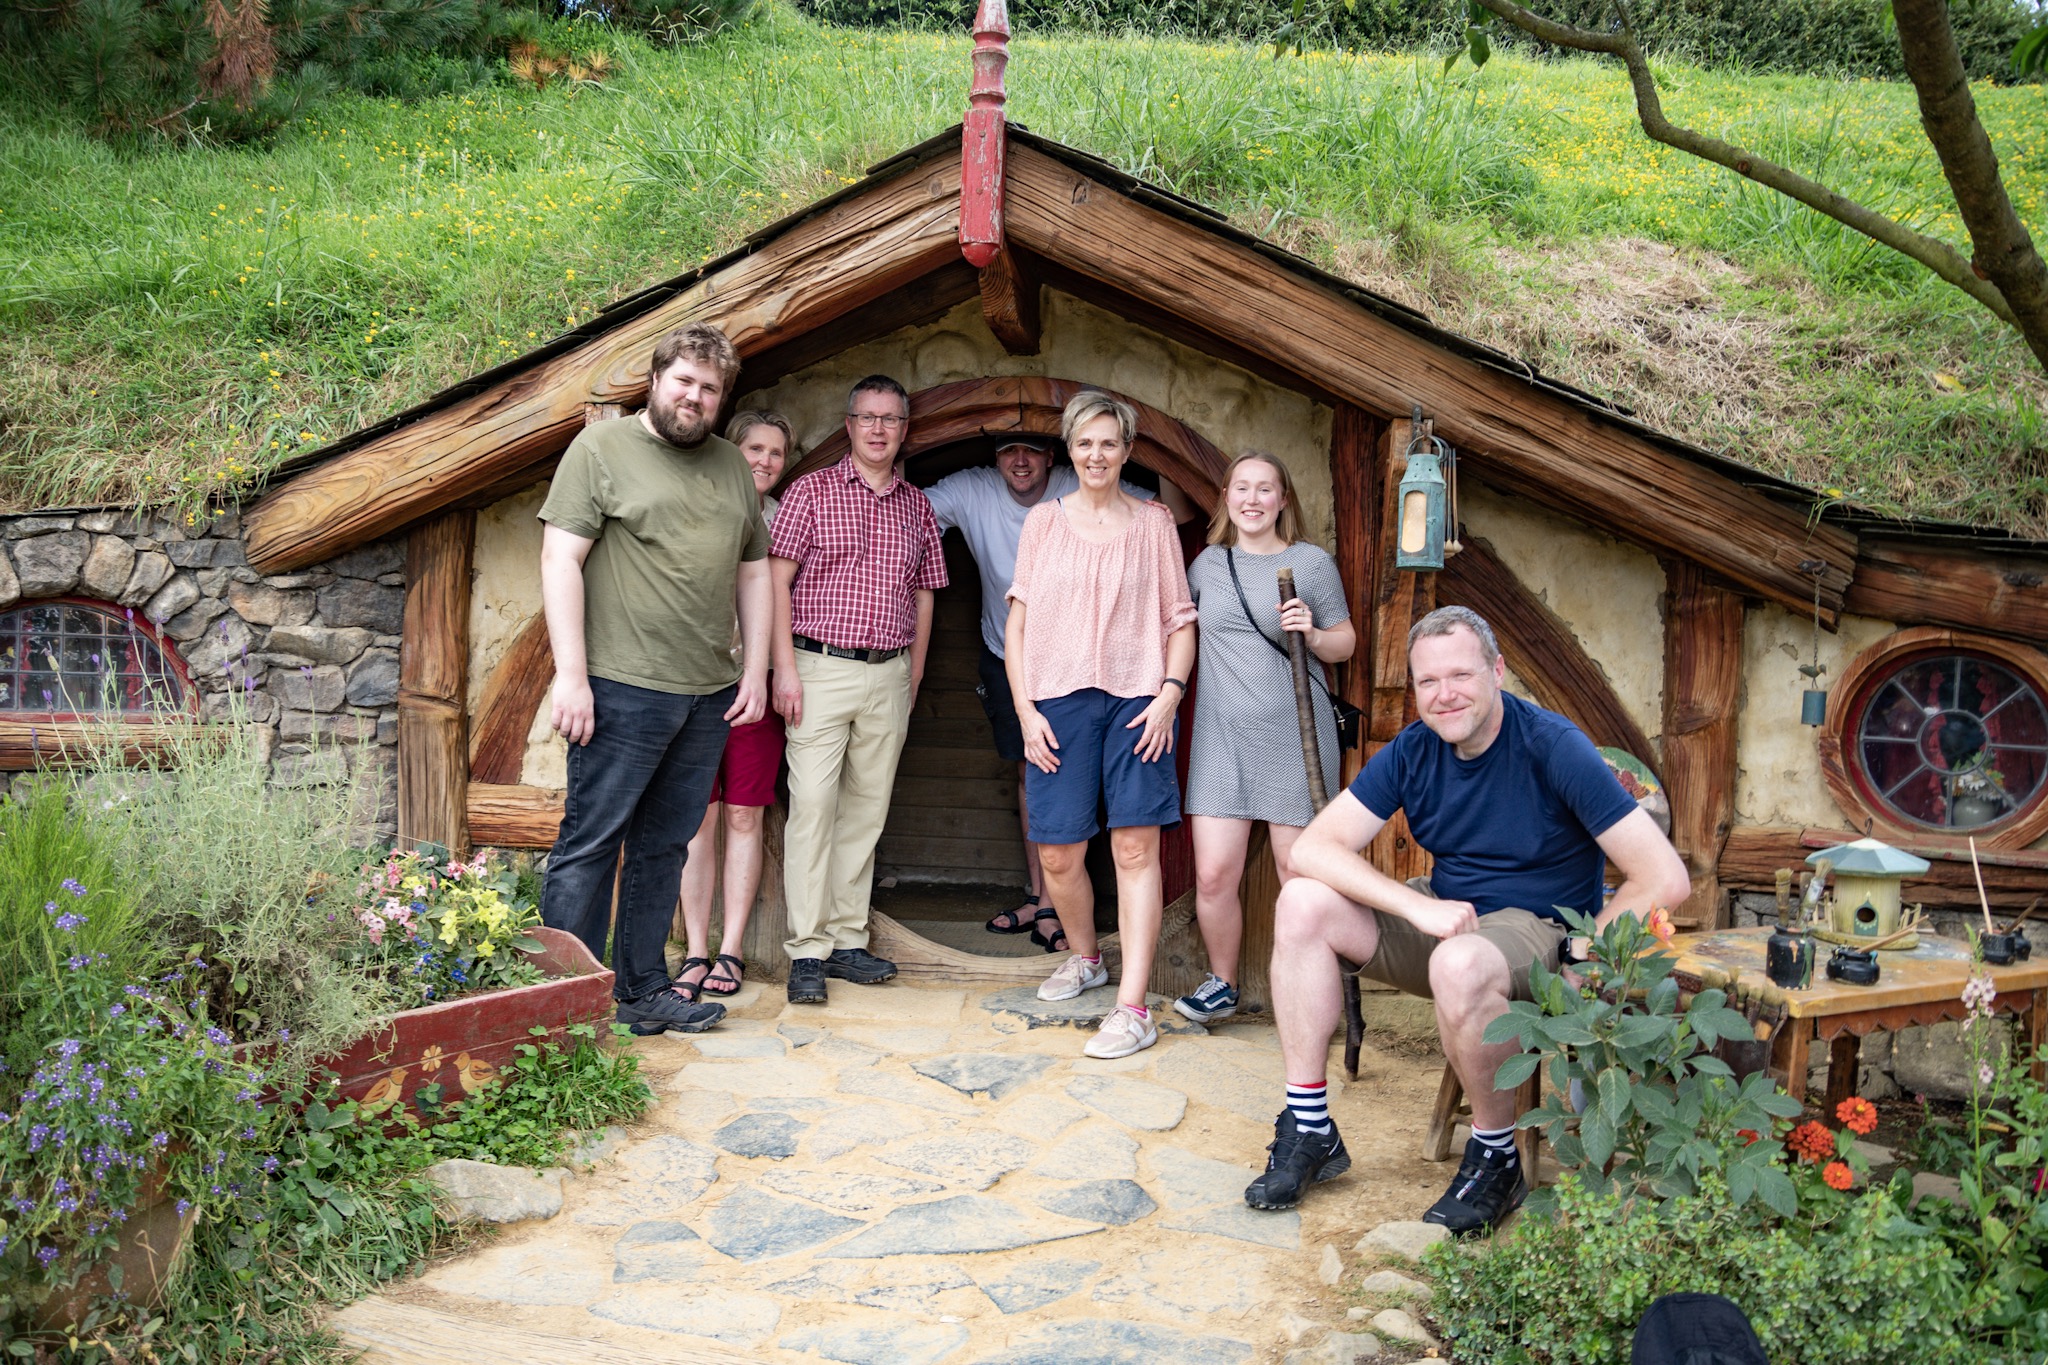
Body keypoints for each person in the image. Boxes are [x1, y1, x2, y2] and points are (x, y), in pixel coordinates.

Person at [1245, 605, 1689, 1232]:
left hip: (1538, 925)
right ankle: (1309, 1125)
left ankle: (1495, 1155)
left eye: (1461, 675)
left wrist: (1584, 952)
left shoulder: (1553, 747)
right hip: (1450, 914)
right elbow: (1313, 849)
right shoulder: (1415, 749)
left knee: (1458, 962)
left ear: (1497, 672)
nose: (1444, 694)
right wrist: (1415, 905)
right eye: (1428, 681)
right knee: (1300, 902)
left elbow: (1664, 877)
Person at [536, 321, 767, 1037]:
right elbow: (560, 559)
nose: (694, 397)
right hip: (619, 686)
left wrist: (754, 668)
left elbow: (754, 572)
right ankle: (563, 1006)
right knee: (592, 843)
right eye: (684, 381)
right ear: (657, 380)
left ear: (722, 398)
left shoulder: (732, 466)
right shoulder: (600, 449)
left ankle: (641, 990)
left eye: (710, 388)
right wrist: (571, 676)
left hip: (707, 693)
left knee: (664, 847)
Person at [921, 434, 1191, 953]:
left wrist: (1169, 446)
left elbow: (1173, 514)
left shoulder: (1110, 497)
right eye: (1008, 450)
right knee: (1037, 785)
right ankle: (1044, 902)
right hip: (1022, 665)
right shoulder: (980, 492)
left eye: (1031, 450)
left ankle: (1068, 922)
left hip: (1125, 682)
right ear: (995, 458)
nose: (1019, 460)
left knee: (1130, 837)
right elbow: (907, 511)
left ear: (1052, 456)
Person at [1006, 391, 1197, 1060]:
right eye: (1085, 442)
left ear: (1126, 450)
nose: (1096, 454)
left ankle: (1133, 1008)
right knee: (1057, 852)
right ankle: (1086, 956)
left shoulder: (1154, 523)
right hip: (1056, 702)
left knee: (1135, 850)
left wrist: (1170, 695)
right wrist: (1025, 711)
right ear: (1070, 448)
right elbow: (1018, 626)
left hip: (1138, 702)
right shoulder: (1043, 522)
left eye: (1109, 443)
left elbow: (1180, 621)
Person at [770, 375, 947, 1007]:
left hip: (889, 672)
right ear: (849, 425)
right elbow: (776, 581)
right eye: (867, 417)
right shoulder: (810, 491)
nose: (878, 428)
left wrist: (915, 671)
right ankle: (806, 950)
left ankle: (847, 940)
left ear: (904, 430)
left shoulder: (917, 505)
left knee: (866, 811)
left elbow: (925, 593)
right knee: (814, 806)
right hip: (818, 667)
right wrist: (784, 669)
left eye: (890, 419)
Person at [1177, 451, 1355, 1025]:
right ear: (1226, 497)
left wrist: (1314, 633)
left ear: (1283, 500)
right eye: (1241, 488)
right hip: (1220, 739)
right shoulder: (1207, 566)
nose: (1252, 500)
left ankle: (1308, 995)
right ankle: (1222, 984)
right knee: (1212, 875)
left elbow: (1345, 642)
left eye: (1264, 489)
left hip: (1295, 738)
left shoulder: (1310, 562)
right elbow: (1177, 631)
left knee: (1297, 877)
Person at [676, 410, 794, 999]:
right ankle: (695, 948)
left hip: (758, 683)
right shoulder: (701, 502)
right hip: (696, 681)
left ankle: (733, 948)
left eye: (776, 452)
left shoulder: (784, 518)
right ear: (732, 449)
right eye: (755, 449)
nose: (765, 461)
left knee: (746, 815)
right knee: (698, 819)